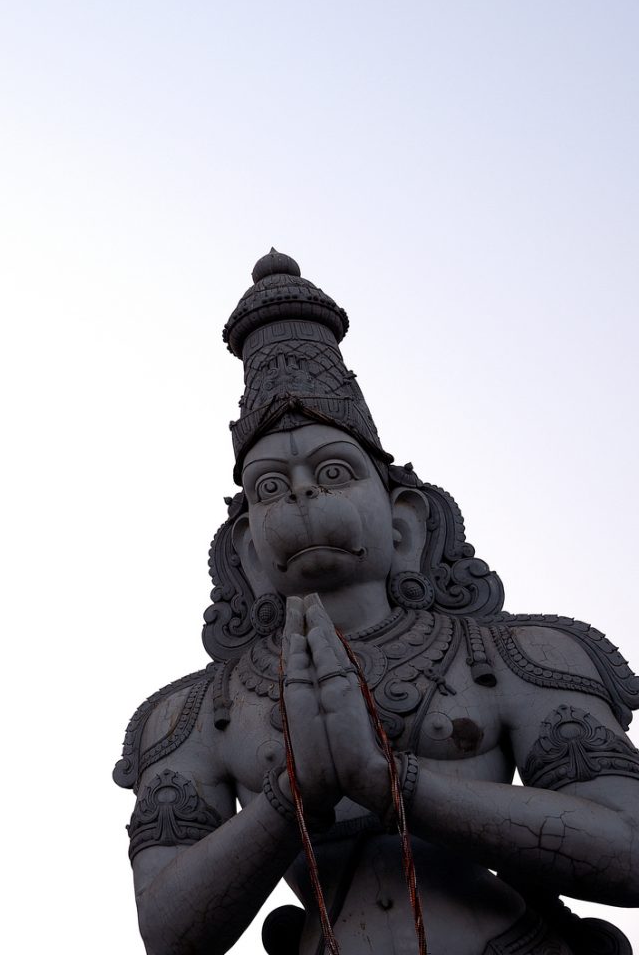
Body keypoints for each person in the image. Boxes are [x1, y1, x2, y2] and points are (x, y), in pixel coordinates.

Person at [118, 252, 639, 954]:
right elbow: (169, 932)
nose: (300, 494)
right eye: (271, 486)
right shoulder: (188, 717)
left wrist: (394, 782)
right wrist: (290, 799)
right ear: (247, 545)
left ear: (403, 520)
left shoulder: (523, 656)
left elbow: (630, 848)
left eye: (332, 473)